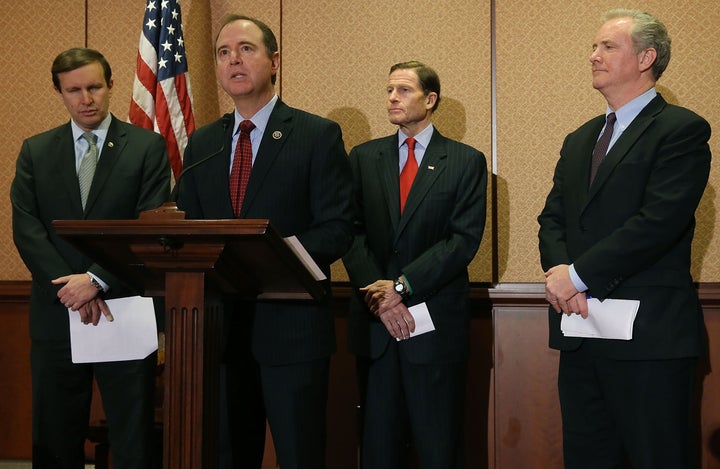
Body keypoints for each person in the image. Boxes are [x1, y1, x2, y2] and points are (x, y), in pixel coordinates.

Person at [175, 14, 354, 469]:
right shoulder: (203, 145)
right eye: (223, 52)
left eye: (246, 49)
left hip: (291, 332)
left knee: (299, 456)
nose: (234, 59)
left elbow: (337, 226)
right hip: (218, 334)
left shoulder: (316, 135)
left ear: (274, 61)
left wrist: (267, 260)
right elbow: (186, 230)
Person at [538, 9, 711, 469]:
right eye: (593, 47)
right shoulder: (580, 139)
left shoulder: (681, 130)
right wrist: (561, 278)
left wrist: (578, 276)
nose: (593, 56)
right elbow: (552, 218)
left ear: (646, 58)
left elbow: (657, 223)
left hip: (649, 342)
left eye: (607, 47)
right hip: (580, 334)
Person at [10, 48, 171, 468]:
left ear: (112, 84)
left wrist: (96, 280)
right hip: (56, 310)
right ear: (59, 92)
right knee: (55, 434)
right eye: (75, 90)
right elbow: (27, 230)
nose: (87, 99)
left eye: (95, 87)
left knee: (132, 435)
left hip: (123, 307)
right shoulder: (36, 151)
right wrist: (72, 288)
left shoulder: (147, 147)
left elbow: (149, 224)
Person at [342, 61, 487, 469]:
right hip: (376, 327)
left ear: (431, 99)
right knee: (377, 447)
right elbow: (349, 233)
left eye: (403, 90)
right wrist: (380, 295)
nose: (392, 98)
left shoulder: (465, 161)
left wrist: (401, 288)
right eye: (389, 89)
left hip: (434, 327)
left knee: (439, 447)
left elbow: (462, 241)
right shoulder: (364, 157)